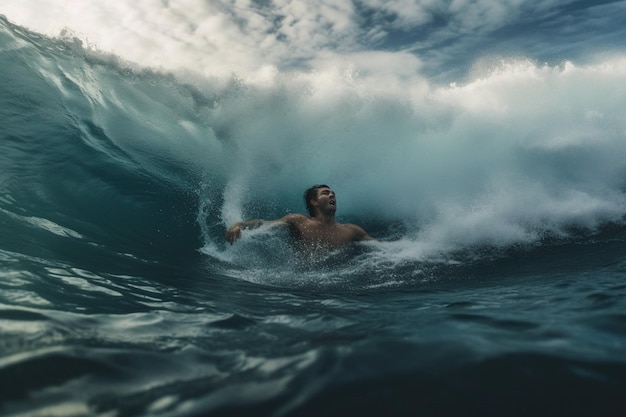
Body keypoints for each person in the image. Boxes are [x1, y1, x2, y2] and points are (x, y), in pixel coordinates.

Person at [226, 184, 374, 252]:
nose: (331, 195)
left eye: (333, 193)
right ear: (313, 201)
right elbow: (264, 224)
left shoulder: (352, 231)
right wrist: (240, 224)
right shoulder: (299, 221)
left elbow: (384, 250)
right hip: (300, 285)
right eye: (325, 193)